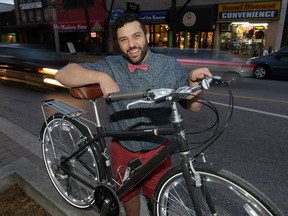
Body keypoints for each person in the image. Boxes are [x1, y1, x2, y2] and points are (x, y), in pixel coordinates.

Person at [56, 13, 212, 216]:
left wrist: (193, 82)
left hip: (157, 150)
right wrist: (100, 77)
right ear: (118, 43)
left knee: (160, 203)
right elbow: (62, 74)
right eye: (124, 39)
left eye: (136, 36)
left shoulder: (169, 66)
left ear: (146, 36)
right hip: (123, 149)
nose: (131, 44)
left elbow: (194, 106)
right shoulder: (111, 65)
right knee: (128, 199)